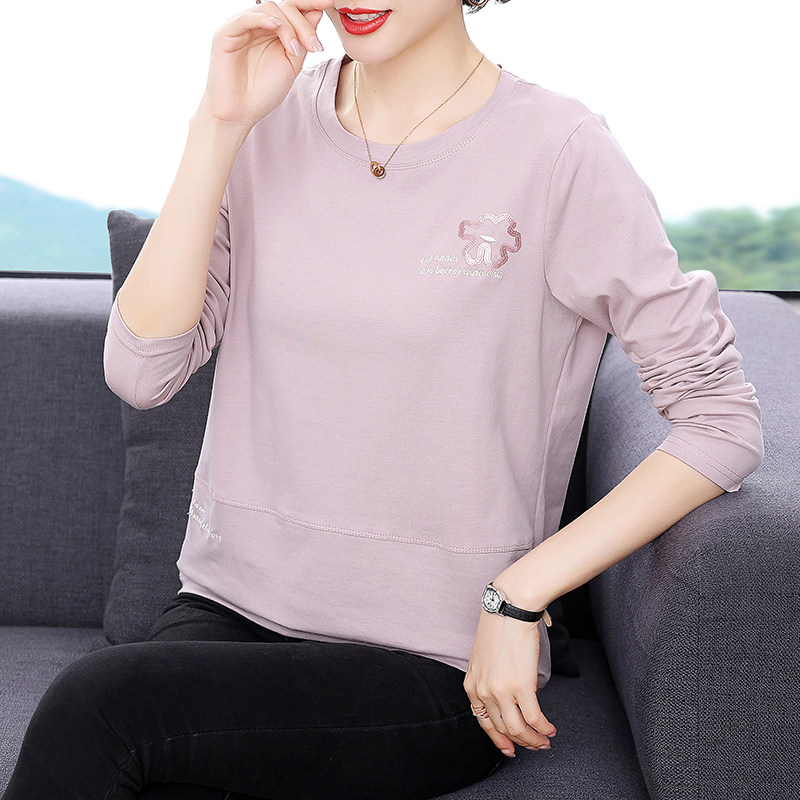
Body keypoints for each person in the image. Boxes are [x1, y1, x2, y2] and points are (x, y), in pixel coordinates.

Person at [2, 0, 765, 798]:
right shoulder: (266, 121)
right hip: (229, 610)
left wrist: (521, 592)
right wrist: (218, 126)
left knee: (99, 711)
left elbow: (720, 420)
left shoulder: (560, 151)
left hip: (436, 661)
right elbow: (142, 373)